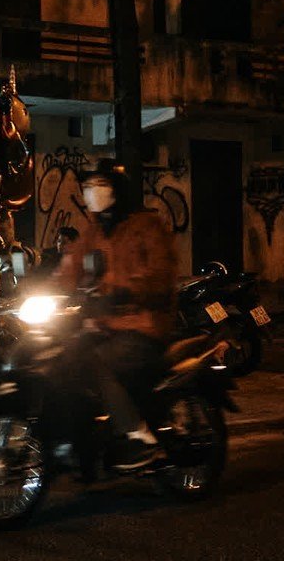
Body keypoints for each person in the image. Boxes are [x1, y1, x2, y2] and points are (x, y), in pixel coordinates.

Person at [54, 158, 178, 470]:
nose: (91, 192)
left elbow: (161, 275)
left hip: (143, 325)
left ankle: (138, 436)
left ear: (117, 189)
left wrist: (127, 292)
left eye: (100, 185)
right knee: (63, 358)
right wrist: (37, 286)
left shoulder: (147, 226)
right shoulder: (95, 230)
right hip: (106, 323)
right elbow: (72, 266)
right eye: (88, 186)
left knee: (98, 362)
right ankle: (80, 441)